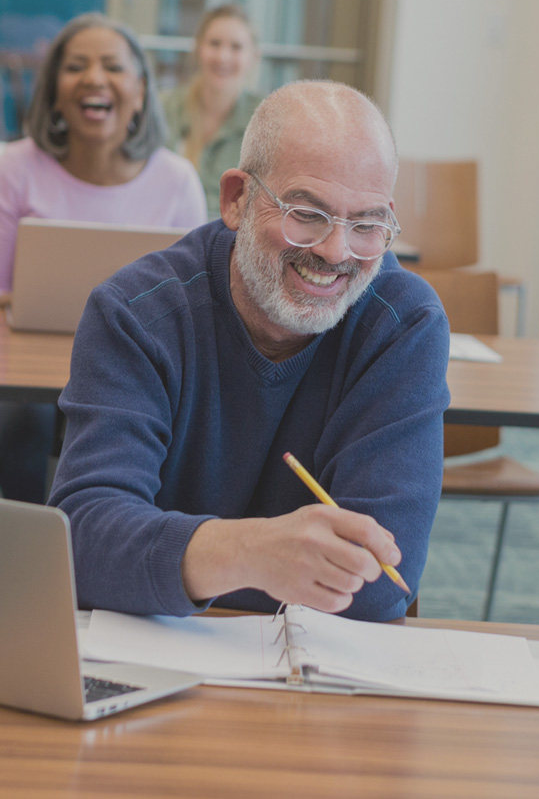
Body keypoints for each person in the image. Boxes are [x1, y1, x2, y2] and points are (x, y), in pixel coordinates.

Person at [48, 80, 450, 622]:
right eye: (306, 214)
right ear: (237, 198)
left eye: (366, 224)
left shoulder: (403, 324)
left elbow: (378, 583)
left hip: (317, 681)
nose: (335, 252)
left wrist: (160, 564)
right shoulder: (135, 313)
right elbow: (82, 543)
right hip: (154, 665)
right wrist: (249, 555)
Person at [0, 12, 207, 505]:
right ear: (52, 90)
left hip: (140, 368)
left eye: (112, 66)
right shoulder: (13, 168)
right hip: (23, 374)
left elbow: (198, 304)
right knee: (20, 428)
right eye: (75, 67)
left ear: (139, 91)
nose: (93, 78)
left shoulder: (177, 180)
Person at [161, 4, 263, 214]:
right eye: (214, 44)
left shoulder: (265, 119)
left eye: (236, 47)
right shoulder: (165, 109)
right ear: (198, 49)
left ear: (253, 57)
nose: (223, 57)